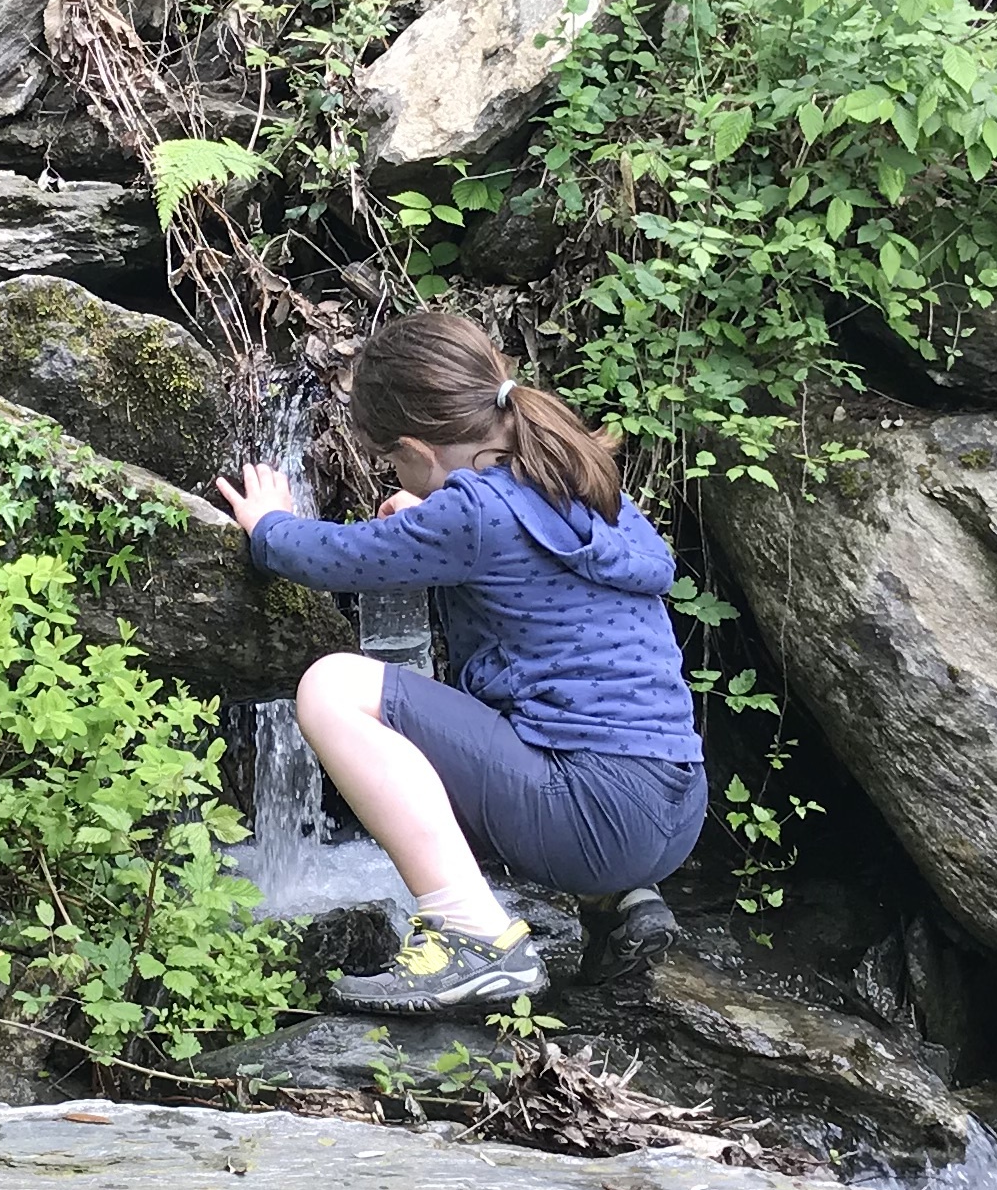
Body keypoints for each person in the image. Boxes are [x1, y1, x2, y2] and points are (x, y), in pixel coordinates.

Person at [213, 306, 707, 1013]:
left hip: (594, 815)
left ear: (416, 448)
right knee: (534, 715)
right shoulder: (578, 473)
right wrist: (425, 508)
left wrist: (269, 526)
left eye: (392, 462)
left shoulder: (471, 515)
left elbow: (336, 559)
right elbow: (511, 557)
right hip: (671, 809)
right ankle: (621, 906)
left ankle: (473, 940)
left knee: (332, 687)